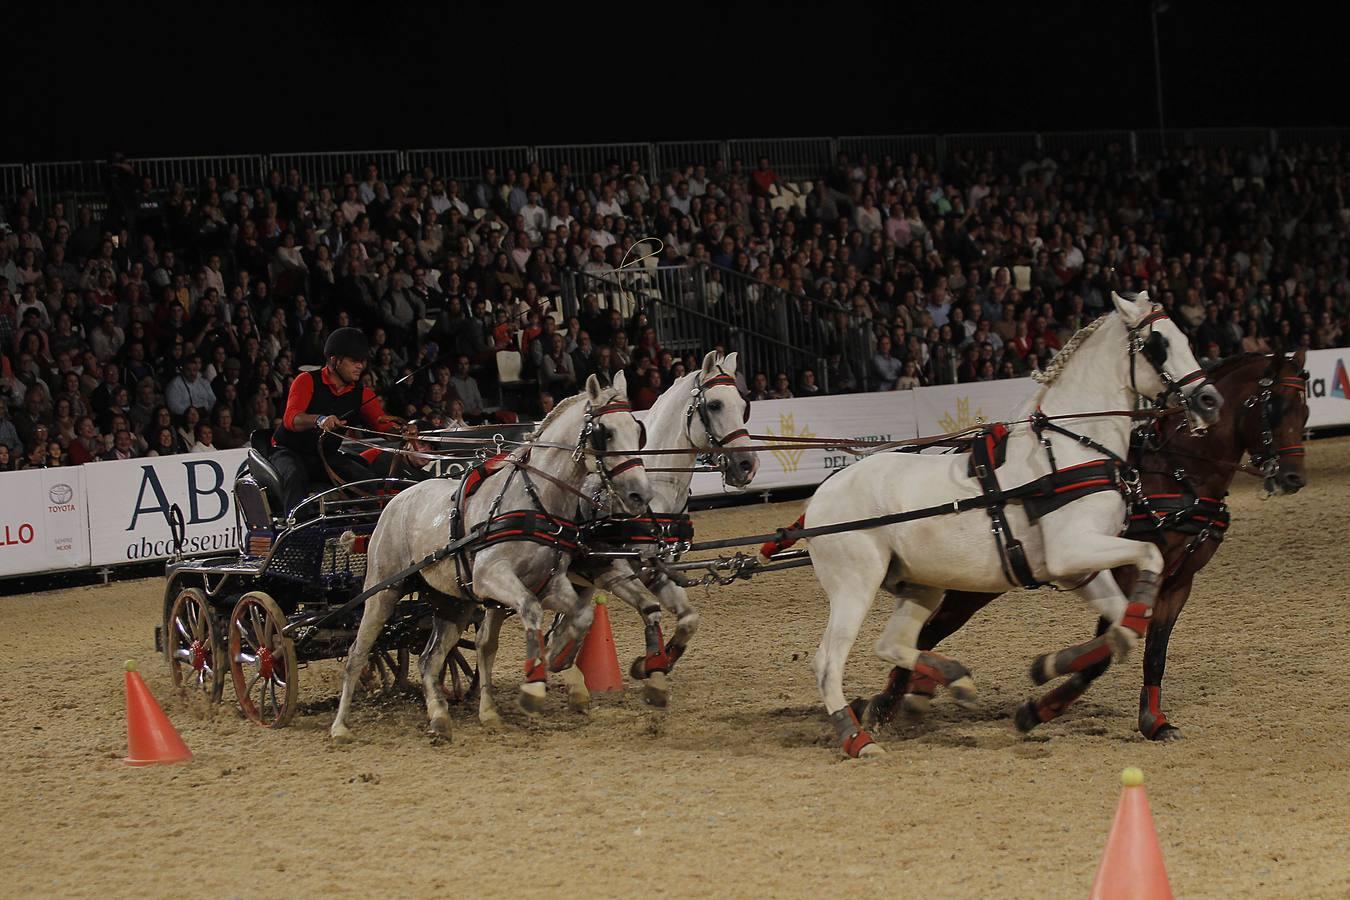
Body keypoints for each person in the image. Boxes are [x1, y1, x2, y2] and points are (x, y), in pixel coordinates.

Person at [269, 327, 408, 512]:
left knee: (364, 478)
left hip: (324, 456)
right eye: (354, 361)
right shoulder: (306, 380)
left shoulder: (363, 394)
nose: (360, 366)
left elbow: (382, 427)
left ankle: (367, 529)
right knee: (294, 475)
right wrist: (319, 420)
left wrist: (402, 433)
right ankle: (296, 529)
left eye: (362, 361)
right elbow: (291, 419)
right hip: (288, 451)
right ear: (335, 360)